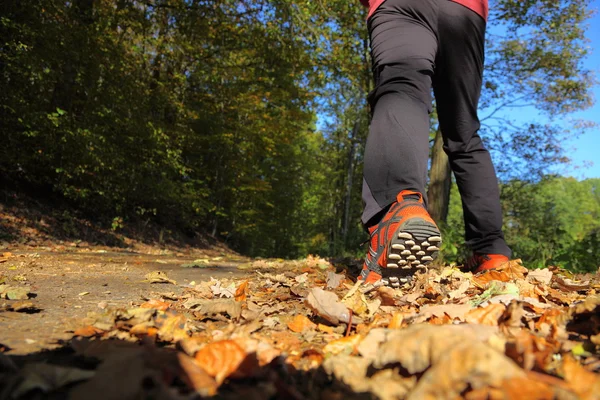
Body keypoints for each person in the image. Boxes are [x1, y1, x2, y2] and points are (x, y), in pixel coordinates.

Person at [358, 0, 512, 287]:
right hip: (466, 11)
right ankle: (492, 252)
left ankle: (399, 210)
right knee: (464, 133)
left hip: (400, 5)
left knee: (402, 90)